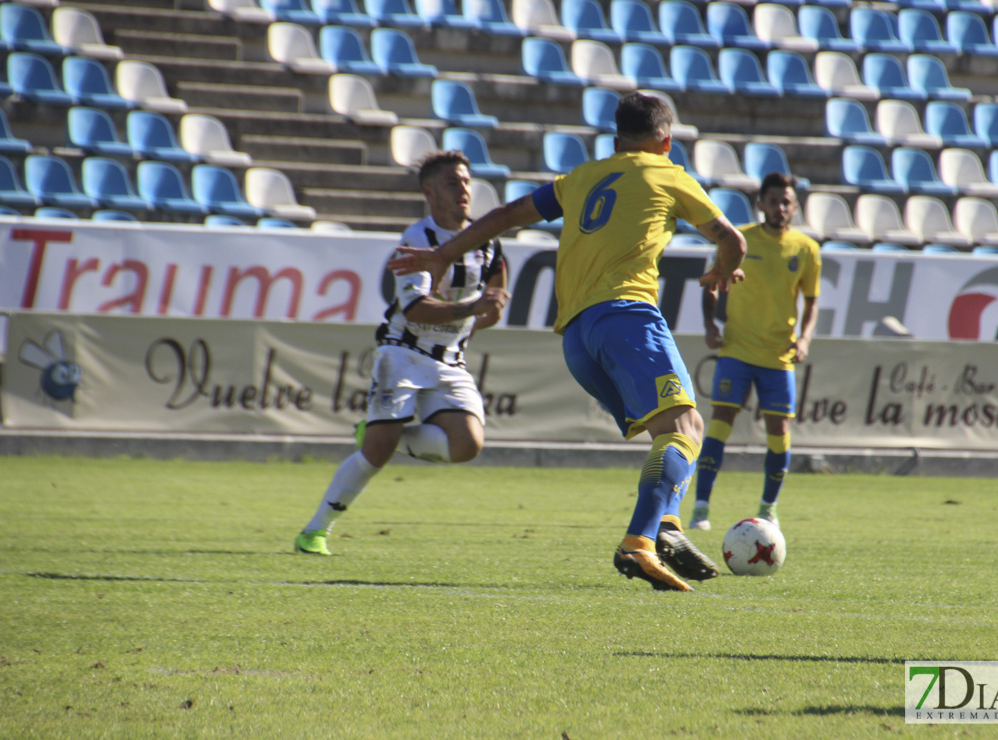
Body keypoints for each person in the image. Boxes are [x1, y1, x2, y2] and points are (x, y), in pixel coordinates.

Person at [389, 92, 747, 592]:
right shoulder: (670, 174)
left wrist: (445, 251)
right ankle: (640, 541)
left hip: (577, 338)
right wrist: (723, 271)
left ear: (616, 140)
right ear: (666, 142)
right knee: (686, 427)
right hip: (627, 316)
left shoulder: (580, 178)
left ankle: (666, 527)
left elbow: (510, 215)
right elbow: (733, 239)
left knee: (674, 429)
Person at [294, 151, 509, 556]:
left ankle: (381, 436)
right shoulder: (417, 240)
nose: (463, 189)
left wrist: (490, 311)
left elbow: (493, 302)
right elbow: (415, 310)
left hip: (450, 360)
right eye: (452, 183)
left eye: (465, 181)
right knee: (375, 455)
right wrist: (471, 308)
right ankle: (314, 531)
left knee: (467, 446)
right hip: (404, 353)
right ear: (429, 191)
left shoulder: (488, 242)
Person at [688, 172, 821, 532]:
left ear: (794, 207)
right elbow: (712, 283)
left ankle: (768, 507)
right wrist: (710, 324)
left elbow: (811, 304)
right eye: (773, 201)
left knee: (779, 430)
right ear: (760, 204)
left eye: (786, 202)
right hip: (737, 349)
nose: (780, 207)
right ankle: (700, 507)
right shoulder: (739, 240)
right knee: (719, 423)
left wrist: (805, 338)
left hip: (778, 356)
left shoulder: (807, 250)